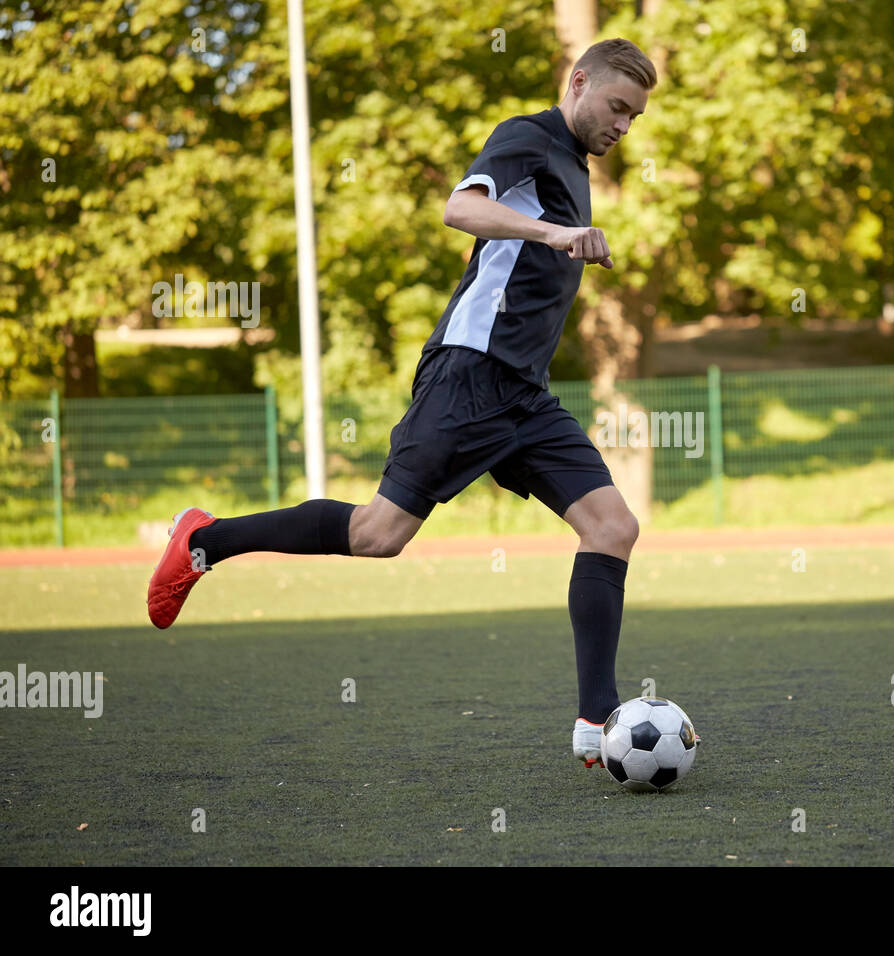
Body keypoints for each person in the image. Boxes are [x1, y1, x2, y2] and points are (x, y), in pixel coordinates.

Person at [147, 38, 657, 769]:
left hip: (524, 396)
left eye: (634, 118)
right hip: (469, 377)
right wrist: (555, 233)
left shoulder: (574, 168)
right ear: (578, 83)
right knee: (378, 535)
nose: (622, 126)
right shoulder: (528, 137)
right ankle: (204, 539)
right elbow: (459, 208)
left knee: (612, 526)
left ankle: (595, 719)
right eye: (616, 107)